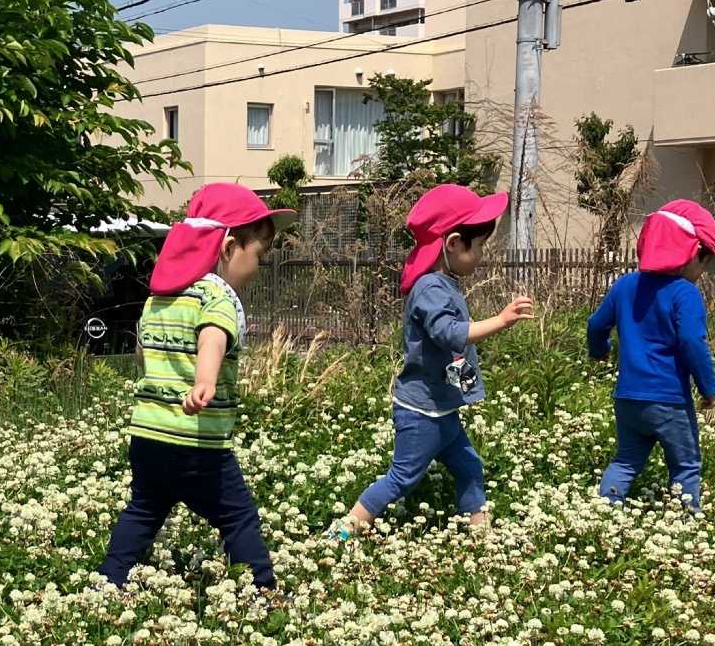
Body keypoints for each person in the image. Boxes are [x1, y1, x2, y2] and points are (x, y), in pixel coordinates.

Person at [98, 183, 294, 592]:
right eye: (258, 254)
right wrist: (204, 380)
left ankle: (109, 581)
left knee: (144, 510)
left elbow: (141, 354)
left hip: (148, 435)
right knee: (237, 517)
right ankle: (263, 591)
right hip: (196, 441)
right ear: (227, 247)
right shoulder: (216, 297)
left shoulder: (159, 297)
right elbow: (213, 337)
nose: (259, 266)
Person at [328, 182, 533, 539]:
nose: (482, 254)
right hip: (422, 411)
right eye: (480, 245)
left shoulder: (444, 282)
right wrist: (500, 321)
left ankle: (482, 535)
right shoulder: (430, 288)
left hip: (443, 408)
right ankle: (344, 530)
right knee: (402, 477)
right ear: (453, 243)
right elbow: (451, 334)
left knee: (470, 465)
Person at [587, 200, 715, 510]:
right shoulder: (684, 292)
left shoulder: (625, 285)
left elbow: (595, 325)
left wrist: (600, 351)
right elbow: (692, 341)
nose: (702, 271)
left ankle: (602, 515)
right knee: (685, 466)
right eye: (704, 261)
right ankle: (690, 526)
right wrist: (708, 388)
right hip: (669, 400)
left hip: (629, 399)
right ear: (691, 252)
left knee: (625, 461)